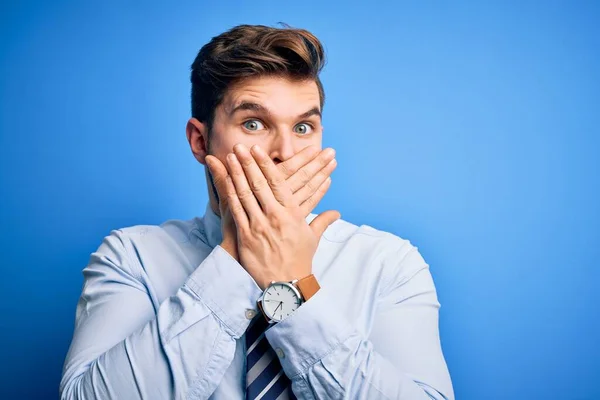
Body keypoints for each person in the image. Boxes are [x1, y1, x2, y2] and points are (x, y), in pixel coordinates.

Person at [60, 24, 454, 400]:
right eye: (253, 123)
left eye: (303, 128)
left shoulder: (389, 263)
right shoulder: (133, 258)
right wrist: (236, 260)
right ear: (200, 141)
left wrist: (293, 285)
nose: (285, 151)